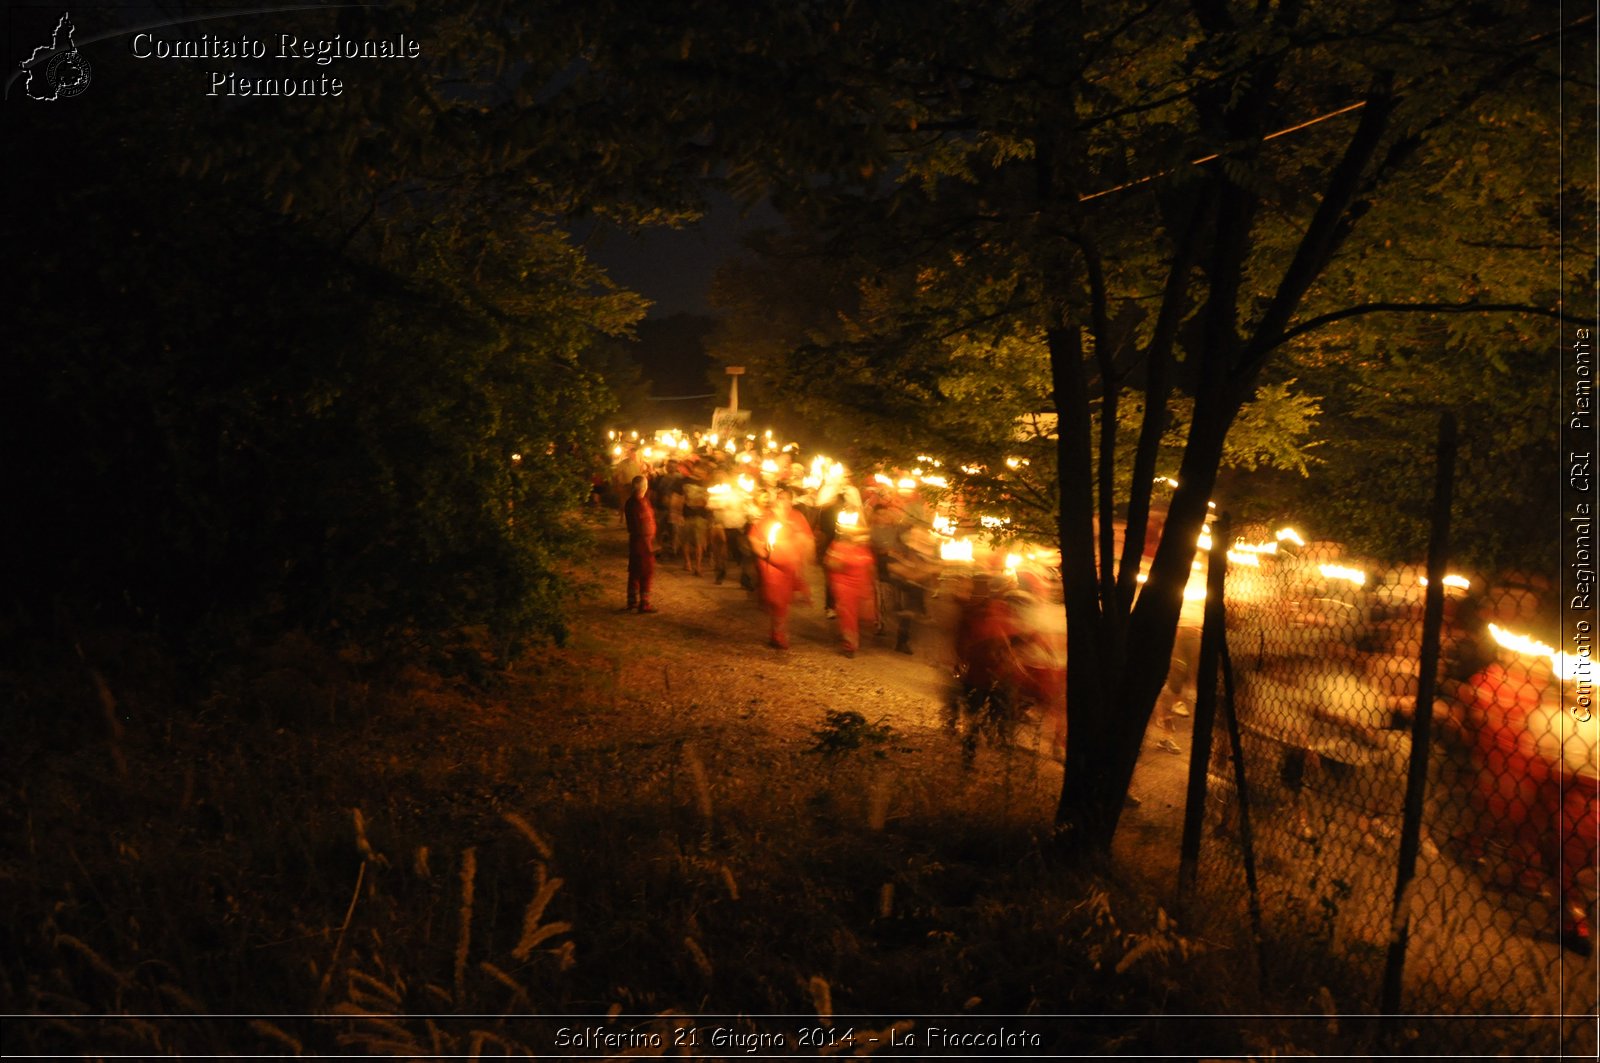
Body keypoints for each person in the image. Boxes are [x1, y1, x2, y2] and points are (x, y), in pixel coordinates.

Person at [750, 487, 814, 649]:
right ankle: (778, 635)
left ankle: (777, 634)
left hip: (790, 564)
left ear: (791, 501)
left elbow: (806, 538)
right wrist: (764, 554)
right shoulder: (766, 518)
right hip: (772, 565)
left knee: (783, 601)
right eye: (779, 498)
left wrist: (806, 559)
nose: (782, 501)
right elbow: (753, 538)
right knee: (777, 601)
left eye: (786, 498)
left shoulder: (797, 517)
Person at [823, 510, 877, 657]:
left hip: (862, 584)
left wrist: (871, 583)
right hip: (844, 585)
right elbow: (831, 564)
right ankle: (849, 645)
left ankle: (856, 637)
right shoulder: (838, 546)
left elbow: (870, 566)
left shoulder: (863, 549)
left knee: (866, 616)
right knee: (849, 615)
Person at [623, 475, 658, 613]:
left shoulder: (634, 501)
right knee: (645, 572)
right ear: (644, 487)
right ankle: (644, 603)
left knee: (634, 572)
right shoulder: (639, 504)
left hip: (638, 541)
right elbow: (643, 525)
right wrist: (652, 542)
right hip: (643, 543)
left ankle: (632, 602)